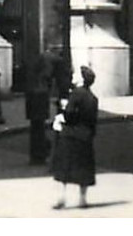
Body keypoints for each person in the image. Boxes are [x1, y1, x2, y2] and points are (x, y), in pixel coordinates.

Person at [52, 64, 99, 209]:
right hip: (85, 136)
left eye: (75, 74)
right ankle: (82, 199)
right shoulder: (92, 97)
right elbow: (92, 121)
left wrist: (61, 118)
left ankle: (62, 197)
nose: (72, 76)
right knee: (84, 169)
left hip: (70, 134)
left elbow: (70, 114)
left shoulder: (76, 94)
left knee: (64, 168)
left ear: (81, 79)